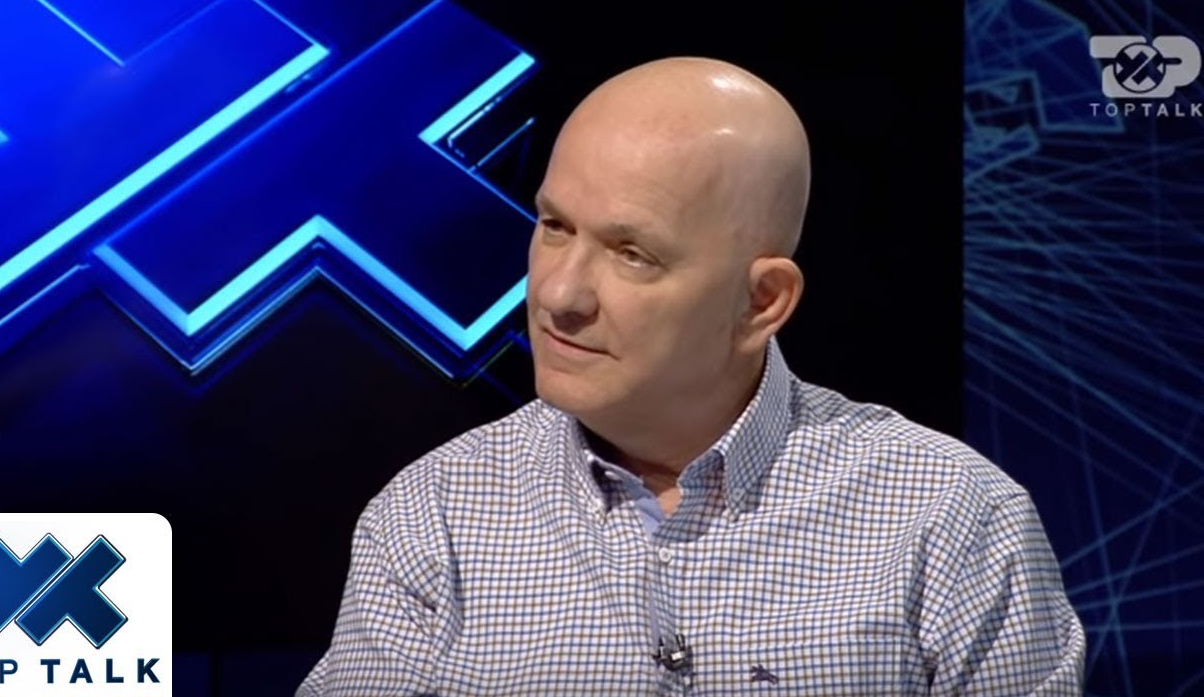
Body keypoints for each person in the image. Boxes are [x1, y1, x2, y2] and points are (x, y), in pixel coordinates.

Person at [298, 57, 1085, 695]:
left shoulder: (949, 517)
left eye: (632, 254)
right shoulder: (433, 517)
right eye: (554, 226)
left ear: (762, 301)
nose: (560, 295)